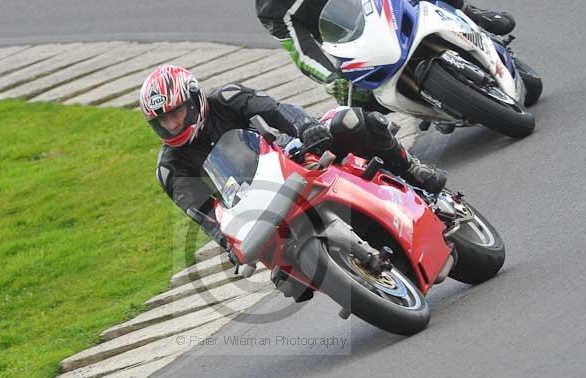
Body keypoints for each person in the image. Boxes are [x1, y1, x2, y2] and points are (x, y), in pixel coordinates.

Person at [139, 64, 447, 246]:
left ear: (194, 99)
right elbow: (204, 214)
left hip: (294, 156)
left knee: (351, 121)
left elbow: (275, 109)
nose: (172, 123)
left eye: (176, 112)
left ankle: (411, 169)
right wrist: (229, 244)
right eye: (162, 120)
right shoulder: (170, 168)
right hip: (259, 207)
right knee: (282, 276)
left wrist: (305, 127)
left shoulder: (227, 98)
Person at [256, 0, 517, 106]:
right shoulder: (271, 9)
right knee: (353, 113)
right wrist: (332, 78)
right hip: (359, 50)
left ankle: (471, 14)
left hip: (386, 7)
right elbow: (303, 53)